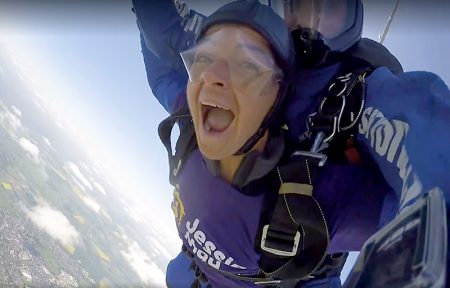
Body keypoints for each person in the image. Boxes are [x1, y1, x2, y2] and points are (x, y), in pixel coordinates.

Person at [131, 0, 450, 287]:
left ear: (353, 22)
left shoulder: (353, 98)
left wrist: (426, 253)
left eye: (331, 7)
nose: (306, 21)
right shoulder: (226, 71)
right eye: (295, 3)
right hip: (187, 275)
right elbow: (167, 48)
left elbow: (424, 130)